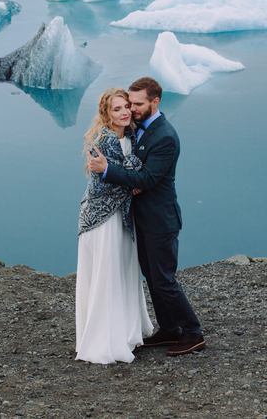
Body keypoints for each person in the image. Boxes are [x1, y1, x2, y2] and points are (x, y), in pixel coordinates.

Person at [86, 77, 206, 356]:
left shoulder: (165, 136)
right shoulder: (139, 128)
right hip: (143, 219)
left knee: (164, 280)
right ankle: (168, 330)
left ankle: (193, 333)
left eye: (138, 104)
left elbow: (149, 178)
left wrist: (108, 170)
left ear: (156, 102)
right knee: (152, 278)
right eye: (129, 103)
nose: (132, 109)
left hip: (160, 220)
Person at [76, 87, 154, 364]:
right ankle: (103, 341)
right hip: (102, 219)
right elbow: (104, 183)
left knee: (121, 272)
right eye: (116, 109)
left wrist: (130, 178)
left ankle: (124, 332)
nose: (124, 112)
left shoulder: (131, 136)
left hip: (121, 217)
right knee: (106, 275)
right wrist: (133, 180)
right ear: (106, 114)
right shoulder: (103, 141)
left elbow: (130, 173)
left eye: (126, 107)